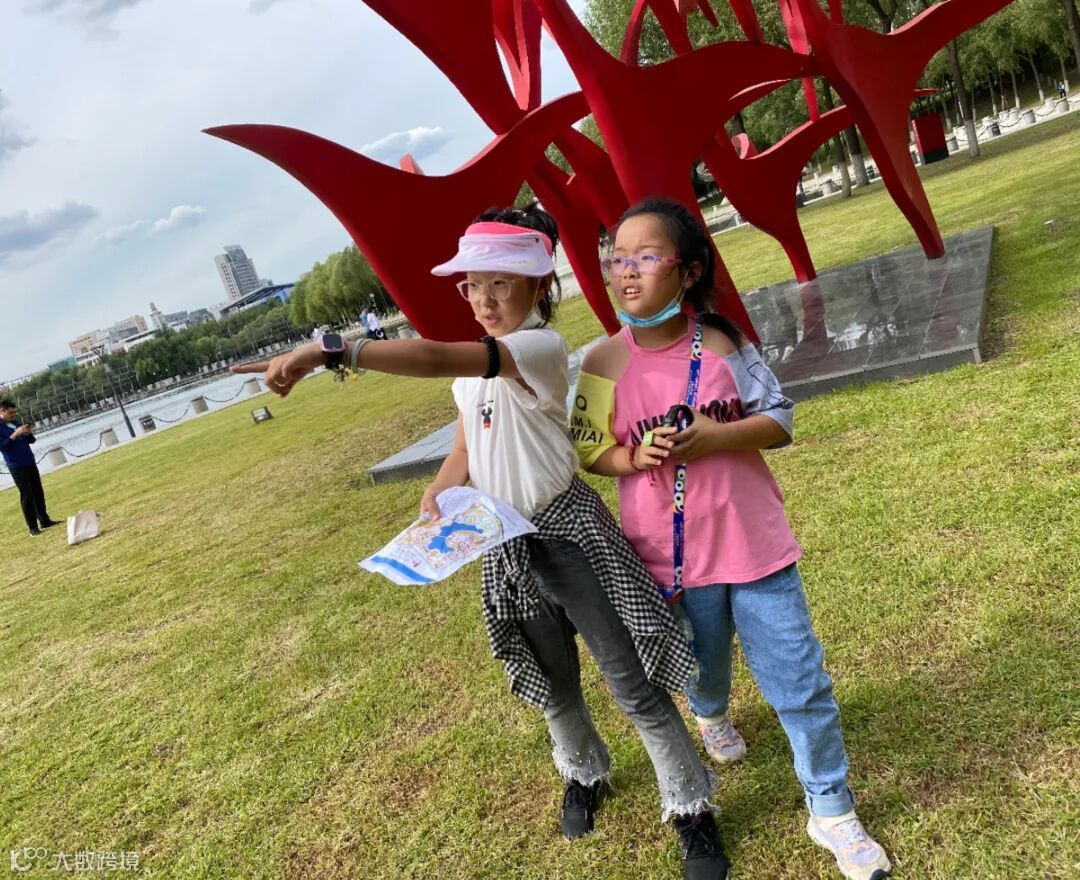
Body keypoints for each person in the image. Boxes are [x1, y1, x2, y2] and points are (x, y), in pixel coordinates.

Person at [233, 205, 729, 880]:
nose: (485, 299)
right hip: (503, 542)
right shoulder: (472, 376)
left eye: (501, 283)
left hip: (569, 534)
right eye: (472, 285)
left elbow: (436, 354)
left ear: (538, 287)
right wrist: (440, 489)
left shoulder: (536, 349)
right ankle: (584, 772)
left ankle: (691, 808)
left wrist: (331, 351)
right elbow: (466, 447)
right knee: (553, 683)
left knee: (630, 680)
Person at [573, 197, 891, 880]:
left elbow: (779, 419)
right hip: (669, 562)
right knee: (703, 669)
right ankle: (712, 713)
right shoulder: (599, 361)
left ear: (688, 272)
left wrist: (717, 437)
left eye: (646, 257)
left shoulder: (724, 344)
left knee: (799, 679)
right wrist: (632, 456)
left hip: (755, 546)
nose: (626, 272)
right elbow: (588, 449)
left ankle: (831, 807)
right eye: (617, 258)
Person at [0, 399, 60, 537]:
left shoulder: (16, 423)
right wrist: (16, 434)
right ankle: (32, 528)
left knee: (38, 492)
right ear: (2, 411)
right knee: (27, 496)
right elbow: (3, 446)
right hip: (17, 466)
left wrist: (27, 433)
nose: (13, 415)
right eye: (10, 413)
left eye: (14, 412)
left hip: (29, 461)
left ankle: (45, 520)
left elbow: (31, 441)